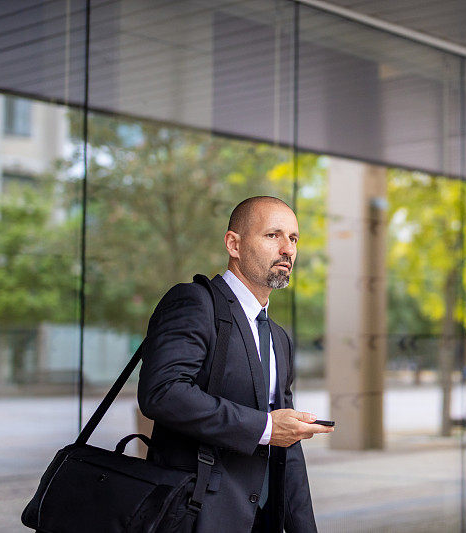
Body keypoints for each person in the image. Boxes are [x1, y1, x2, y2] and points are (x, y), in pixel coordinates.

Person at [138, 196, 333, 533]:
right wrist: (265, 428)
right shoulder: (194, 302)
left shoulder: (278, 337)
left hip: (262, 520)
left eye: (294, 239)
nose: (287, 249)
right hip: (197, 516)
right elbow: (162, 392)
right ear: (234, 244)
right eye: (273, 235)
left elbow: (289, 450)